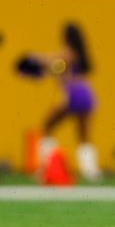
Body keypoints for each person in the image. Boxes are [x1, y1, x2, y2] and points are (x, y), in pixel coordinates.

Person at [17, 23, 101, 180]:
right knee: (84, 136)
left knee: (47, 126)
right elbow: (56, 68)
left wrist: (32, 60)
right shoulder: (80, 53)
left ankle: (47, 166)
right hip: (87, 93)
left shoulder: (68, 52)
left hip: (73, 94)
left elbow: (50, 61)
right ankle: (91, 172)